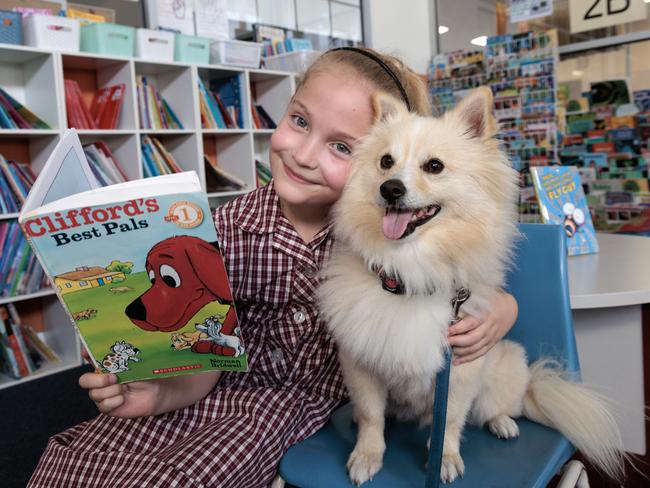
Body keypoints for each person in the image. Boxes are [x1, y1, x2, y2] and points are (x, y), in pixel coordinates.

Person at [29, 47, 518, 488]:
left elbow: (455, 276)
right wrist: (157, 395)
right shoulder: (223, 229)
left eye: (342, 147)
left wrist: (505, 307)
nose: (304, 155)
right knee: (80, 462)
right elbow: (208, 354)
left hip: (287, 413)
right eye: (299, 121)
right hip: (212, 392)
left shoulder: (373, 237)